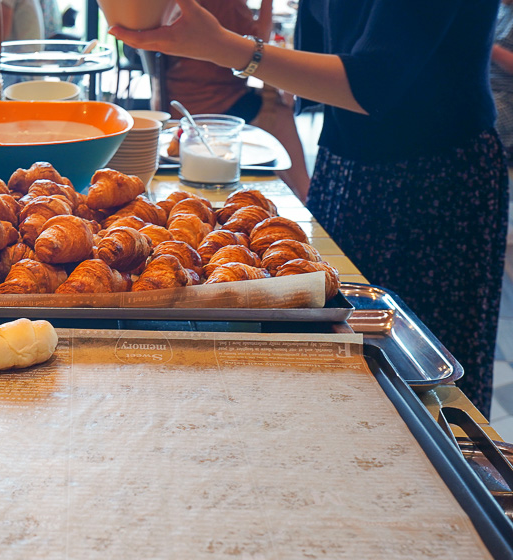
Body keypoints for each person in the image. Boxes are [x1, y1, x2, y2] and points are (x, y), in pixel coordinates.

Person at [112, 0, 509, 414]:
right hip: (344, 163)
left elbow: (375, 80)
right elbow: (326, 55)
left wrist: (225, 47)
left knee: (425, 388)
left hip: (432, 180)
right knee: (333, 347)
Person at [155, 0, 310, 201]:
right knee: (280, 112)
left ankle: (292, 186)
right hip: (214, 103)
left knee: (267, 101)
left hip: (178, 97)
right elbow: (258, 47)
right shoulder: (228, 4)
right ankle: (305, 190)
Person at [492, 0, 513, 159]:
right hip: (483, 88)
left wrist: (491, 49)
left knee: (475, 123)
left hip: (507, 95)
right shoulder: (495, 9)